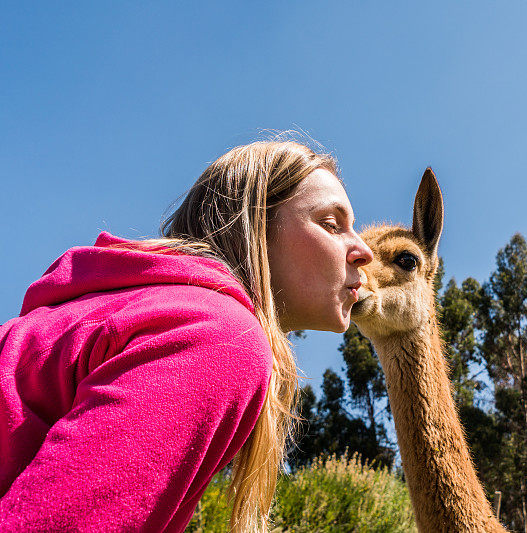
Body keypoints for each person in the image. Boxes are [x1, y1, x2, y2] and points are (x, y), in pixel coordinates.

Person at [0, 139, 373, 532]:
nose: (363, 250)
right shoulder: (214, 334)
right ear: (256, 227)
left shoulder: (137, 311)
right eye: (332, 224)